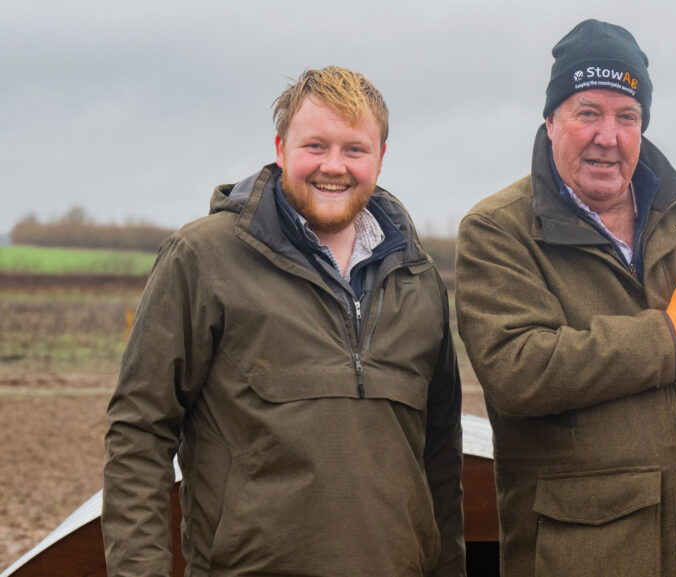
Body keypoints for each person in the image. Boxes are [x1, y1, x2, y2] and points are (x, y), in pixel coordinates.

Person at [456, 20, 676, 577]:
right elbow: (519, 370)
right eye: (588, 112)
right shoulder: (499, 230)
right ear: (551, 120)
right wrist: (672, 334)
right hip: (590, 552)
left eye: (627, 117)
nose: (607, 135)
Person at [102, 66, 465, 577]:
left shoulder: (417, 277)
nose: (333, 166)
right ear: (280, 148)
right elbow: (139, 432)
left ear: (381, 157)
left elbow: (440, 458)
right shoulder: (203, 259)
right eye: (315, 146)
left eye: (354, 149)